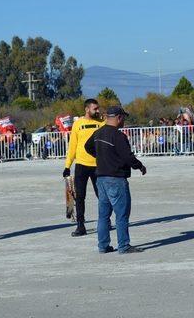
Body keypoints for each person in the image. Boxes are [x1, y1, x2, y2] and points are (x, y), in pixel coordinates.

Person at [85, 105, 146, 254]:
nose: (124, 121)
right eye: (123, 118)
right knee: (122, 213)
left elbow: (87, 147)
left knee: (103, 215)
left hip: (101, 178)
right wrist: (139, 166)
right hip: (116, 178)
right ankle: (124, 245)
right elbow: (127, 157)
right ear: (119, 118)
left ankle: (103, 245)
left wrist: (101, 157)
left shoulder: (97, 133)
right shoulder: (118, 136)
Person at [62, 99, 104, 237]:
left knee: (102, 196)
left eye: (98, 108)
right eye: (95, 108)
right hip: (81, 165)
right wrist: (67, 166)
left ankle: (105, 221)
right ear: (87, 109)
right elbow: (72, 146)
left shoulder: (102, 123)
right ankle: (80, 226)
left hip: (99, 166)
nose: (98, 111)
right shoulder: (78, 124)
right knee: (80, 197)